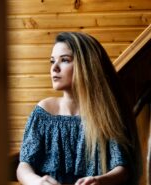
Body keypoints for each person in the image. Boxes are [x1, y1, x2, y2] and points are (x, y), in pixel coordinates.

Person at [16, 32, 141, 185]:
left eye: (64, 60)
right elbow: (24, 165)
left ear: (87, 65)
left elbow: (122, 167)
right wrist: (37, 182)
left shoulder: (107, 114)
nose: (54, 68)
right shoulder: (44, 111)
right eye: (52, 61)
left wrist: (100, 181)